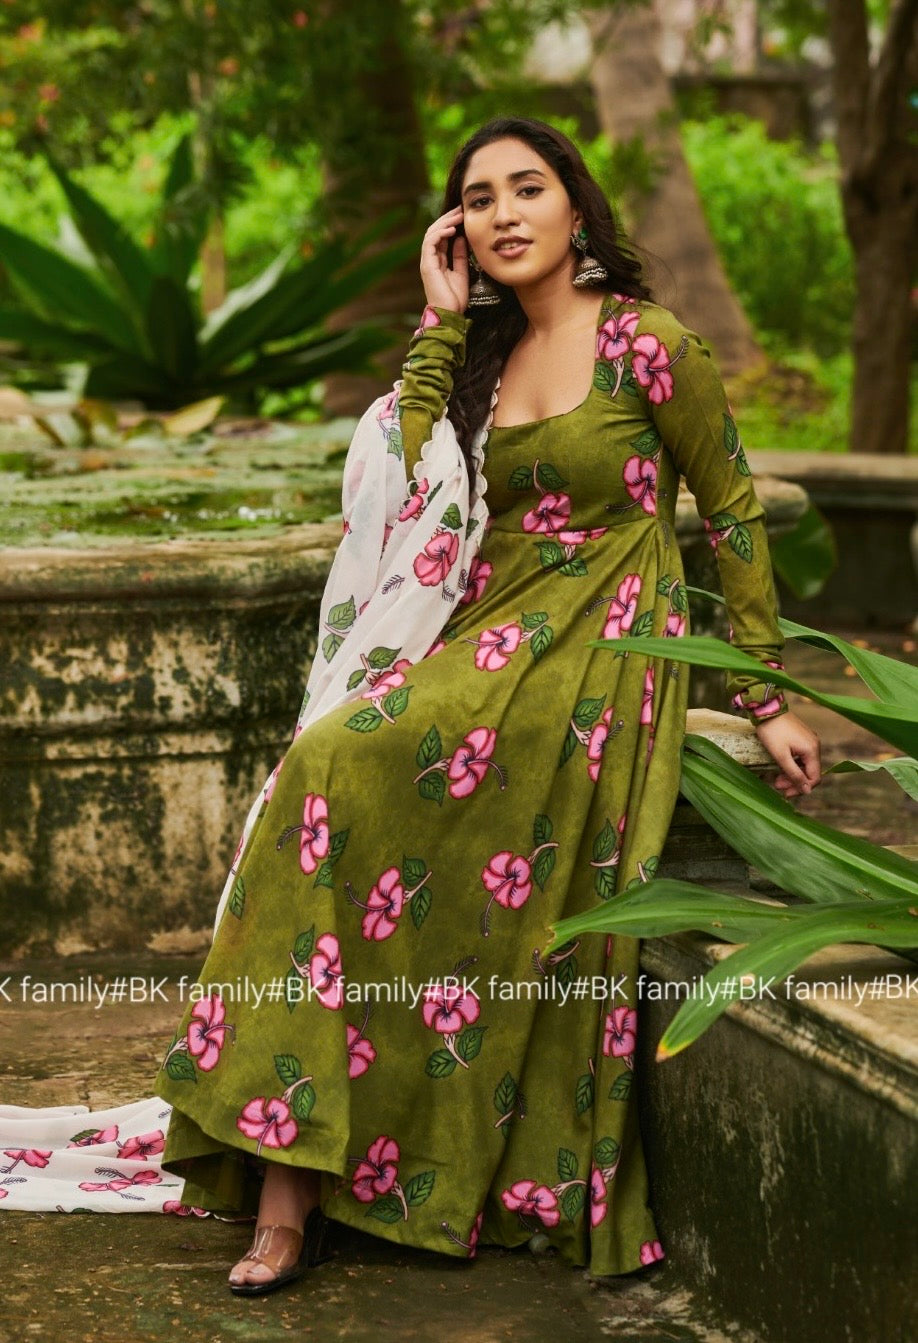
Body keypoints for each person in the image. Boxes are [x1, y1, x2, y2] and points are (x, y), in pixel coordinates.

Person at [2, 115, 821, 1294]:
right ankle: (285, 1187)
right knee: (324, 764)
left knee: (349, 773)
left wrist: (766, 687)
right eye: (477, 200)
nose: (503, 213)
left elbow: (735, 513)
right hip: (481, 637)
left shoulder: (649, 344)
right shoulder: (478, 359)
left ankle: (333, 1181)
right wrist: (440, 322)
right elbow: (391, 479)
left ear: (575, 209)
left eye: (526, 188)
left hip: (599, 651)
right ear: (461, 234)